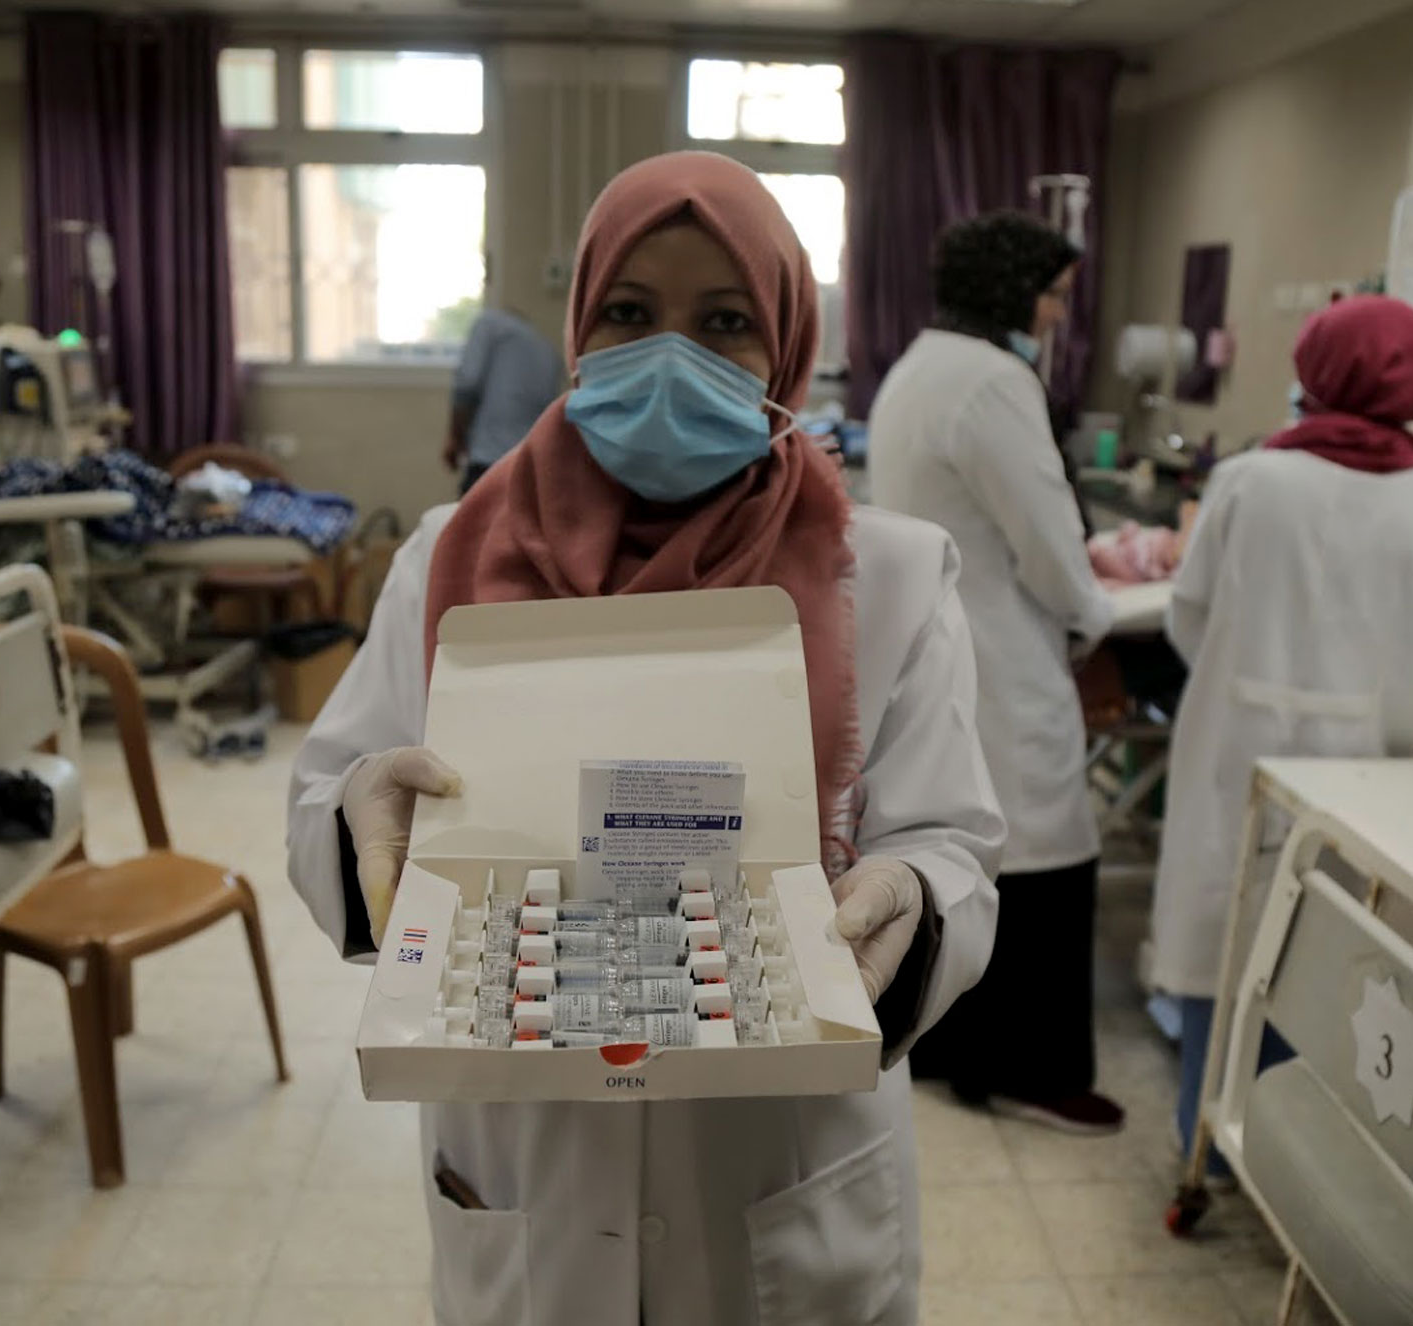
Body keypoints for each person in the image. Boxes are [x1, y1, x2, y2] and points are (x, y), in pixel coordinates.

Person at [288, 151, 1004, 1326]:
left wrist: (909, 901)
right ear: (577, 330)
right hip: (526, 1141)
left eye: (724, 322)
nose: (670, 357)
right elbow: (332, 793)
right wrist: (361, 819)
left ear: (783, 346)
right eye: (629, 314)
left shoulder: (890, 575)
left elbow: (951, 843)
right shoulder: (443, 563)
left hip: (780, 1149)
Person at [1152, 294, 1413, 1159]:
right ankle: (1301, 1165)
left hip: (1232, 765)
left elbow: (1186, 619)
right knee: (1333, 973)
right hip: (1363, 782)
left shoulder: (1247, 482)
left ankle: (1204, 1143)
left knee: (1219, 950)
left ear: (1313, 370)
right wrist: (1364, 701)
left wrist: (1254, 683)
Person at [866, 212, 1123, 1135]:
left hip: (945, 644)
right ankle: (1031, 1072)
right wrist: (1097, 619)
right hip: (1002, 656)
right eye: (1053, 293)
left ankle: (955, 1051)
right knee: (1044, 854)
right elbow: (1049, 537)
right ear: (1014, 290)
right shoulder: (994, 380)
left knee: (966, 857)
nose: (1057, 314)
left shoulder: (922, 364)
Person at [442, 306, 564, 495]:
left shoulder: (491, 323)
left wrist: (455, 438)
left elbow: (467, 383)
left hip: (487, 464)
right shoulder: (548, 350)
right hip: (530, 471)